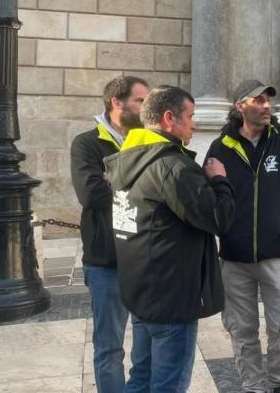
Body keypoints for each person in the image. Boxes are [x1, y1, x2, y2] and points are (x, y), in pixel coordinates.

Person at [105, 85, 235, 392]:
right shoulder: (172, 167)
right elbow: (219, 218)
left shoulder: (128, 159)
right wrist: (220, 181)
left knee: (140, 378)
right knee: (168, 385)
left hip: (141, 291)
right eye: (189, 117)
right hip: (171, 297)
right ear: (168, 118)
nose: (194, 125)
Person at [205, 80, 280, 393]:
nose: (267, 106)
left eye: (269, 101)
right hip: (234, 258)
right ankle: (253, 386)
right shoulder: (220, 147)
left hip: (276, 256)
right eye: (259, 100)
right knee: (242, 330)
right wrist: (224, 228)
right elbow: (212, 194)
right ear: (241, 106)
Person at [70, 74, 148, 393]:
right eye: (140, 101)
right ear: (117, 102)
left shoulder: (148, 139)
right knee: (109, 349)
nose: (146, 107)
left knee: (147, 346)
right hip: (106, 262)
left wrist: (111, 179)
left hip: (146, 260)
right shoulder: (87, 143)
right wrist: (138, 185)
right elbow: (91, 194)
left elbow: (164, 186)